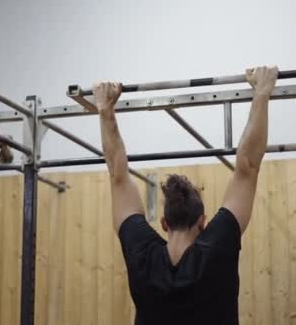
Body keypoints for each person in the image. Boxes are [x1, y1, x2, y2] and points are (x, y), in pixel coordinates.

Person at [94, 66, 279, 325]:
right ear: (202, 222)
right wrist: (262, 92)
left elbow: (118, 174)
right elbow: (247, 166)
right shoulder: (216, 249)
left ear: (164, 224)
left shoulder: (143, 257)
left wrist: (105, 110)